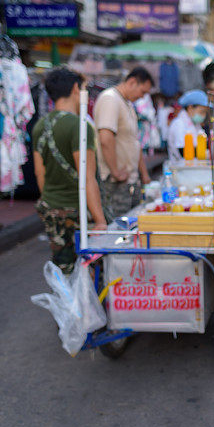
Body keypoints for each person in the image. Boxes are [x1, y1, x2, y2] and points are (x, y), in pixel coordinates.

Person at [32, 68, 106, 275]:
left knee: (63, 270)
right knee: (89, 271)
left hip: (53, 210)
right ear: (76, 89)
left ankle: (66, 307)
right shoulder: (80, 126)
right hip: (79, 211)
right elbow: (87, 177)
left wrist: (52, 200)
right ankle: (86, 308)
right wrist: (100, 220)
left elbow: (40, 173)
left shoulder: (40, 125)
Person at [94, 66, 153, 218]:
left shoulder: (127, 104)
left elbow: (134, 142)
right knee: (118, 229)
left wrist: (144, 174)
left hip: (129, 181)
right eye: (143, 92)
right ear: (132, 82)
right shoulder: (110, 99)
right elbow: (105, 138)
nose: (142, 97)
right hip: (115, 182)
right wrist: (115, 171)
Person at [168, 89, 209, 160]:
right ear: (190, 108)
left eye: (205, 112)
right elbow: (183, 151)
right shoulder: (179, 124)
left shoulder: (195, 124)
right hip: (181, 167)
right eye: (201, 112)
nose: (203, 115)